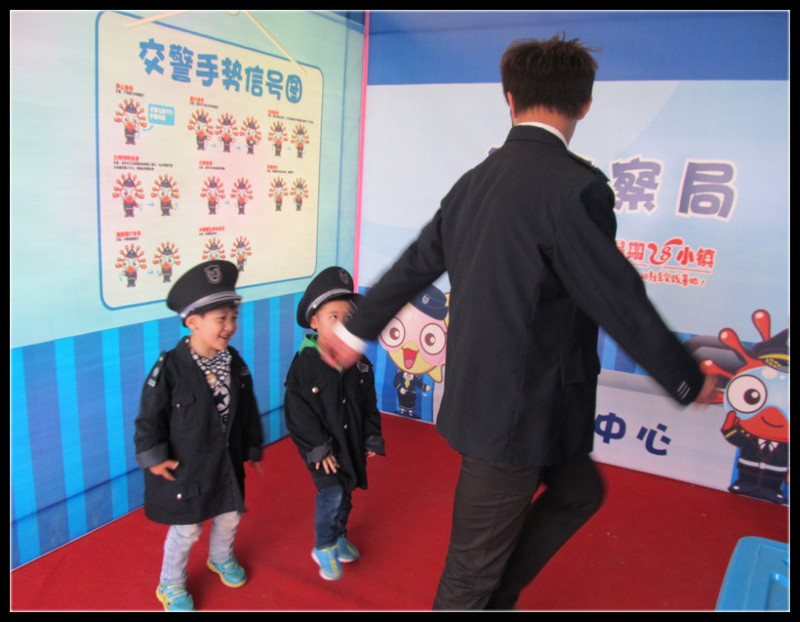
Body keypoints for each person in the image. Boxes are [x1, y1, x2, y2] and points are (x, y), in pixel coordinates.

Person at [322, 35, 718, 610]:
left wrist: (355, 331)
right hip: (510, 418)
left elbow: (413, 264)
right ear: (584, 105)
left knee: (578, 493)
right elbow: (617, 297)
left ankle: (497, 599)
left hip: (533, 403)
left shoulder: (474, 181)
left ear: (509, 98)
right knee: (467, 577)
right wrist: (685, 376)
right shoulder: (575, 188)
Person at [134, 260, 264, 612]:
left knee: (230, 515)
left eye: (234, 317)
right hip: (187, 467)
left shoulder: (234, 363)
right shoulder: (170, 368)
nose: (230, 326)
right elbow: (149, 417)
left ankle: (220, 557)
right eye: (221, 318)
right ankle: (171, 582)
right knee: (188, 528)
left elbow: (247, 408)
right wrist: (153, 456)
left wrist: (252, 446)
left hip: (225, 463)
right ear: (193, 322)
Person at [283, 266, 386, 581]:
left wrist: (371, 436)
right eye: (333, 317)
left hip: (349, 441)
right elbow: (297, 412)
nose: (342, 325)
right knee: (333, 493)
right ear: (315, 322)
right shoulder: (305, 365)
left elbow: (368, 403)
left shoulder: (359, 363)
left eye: (348, 317)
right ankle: (324, 545)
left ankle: (339, 534)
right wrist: (318, 448)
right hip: (322, 449)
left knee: (347, 490)